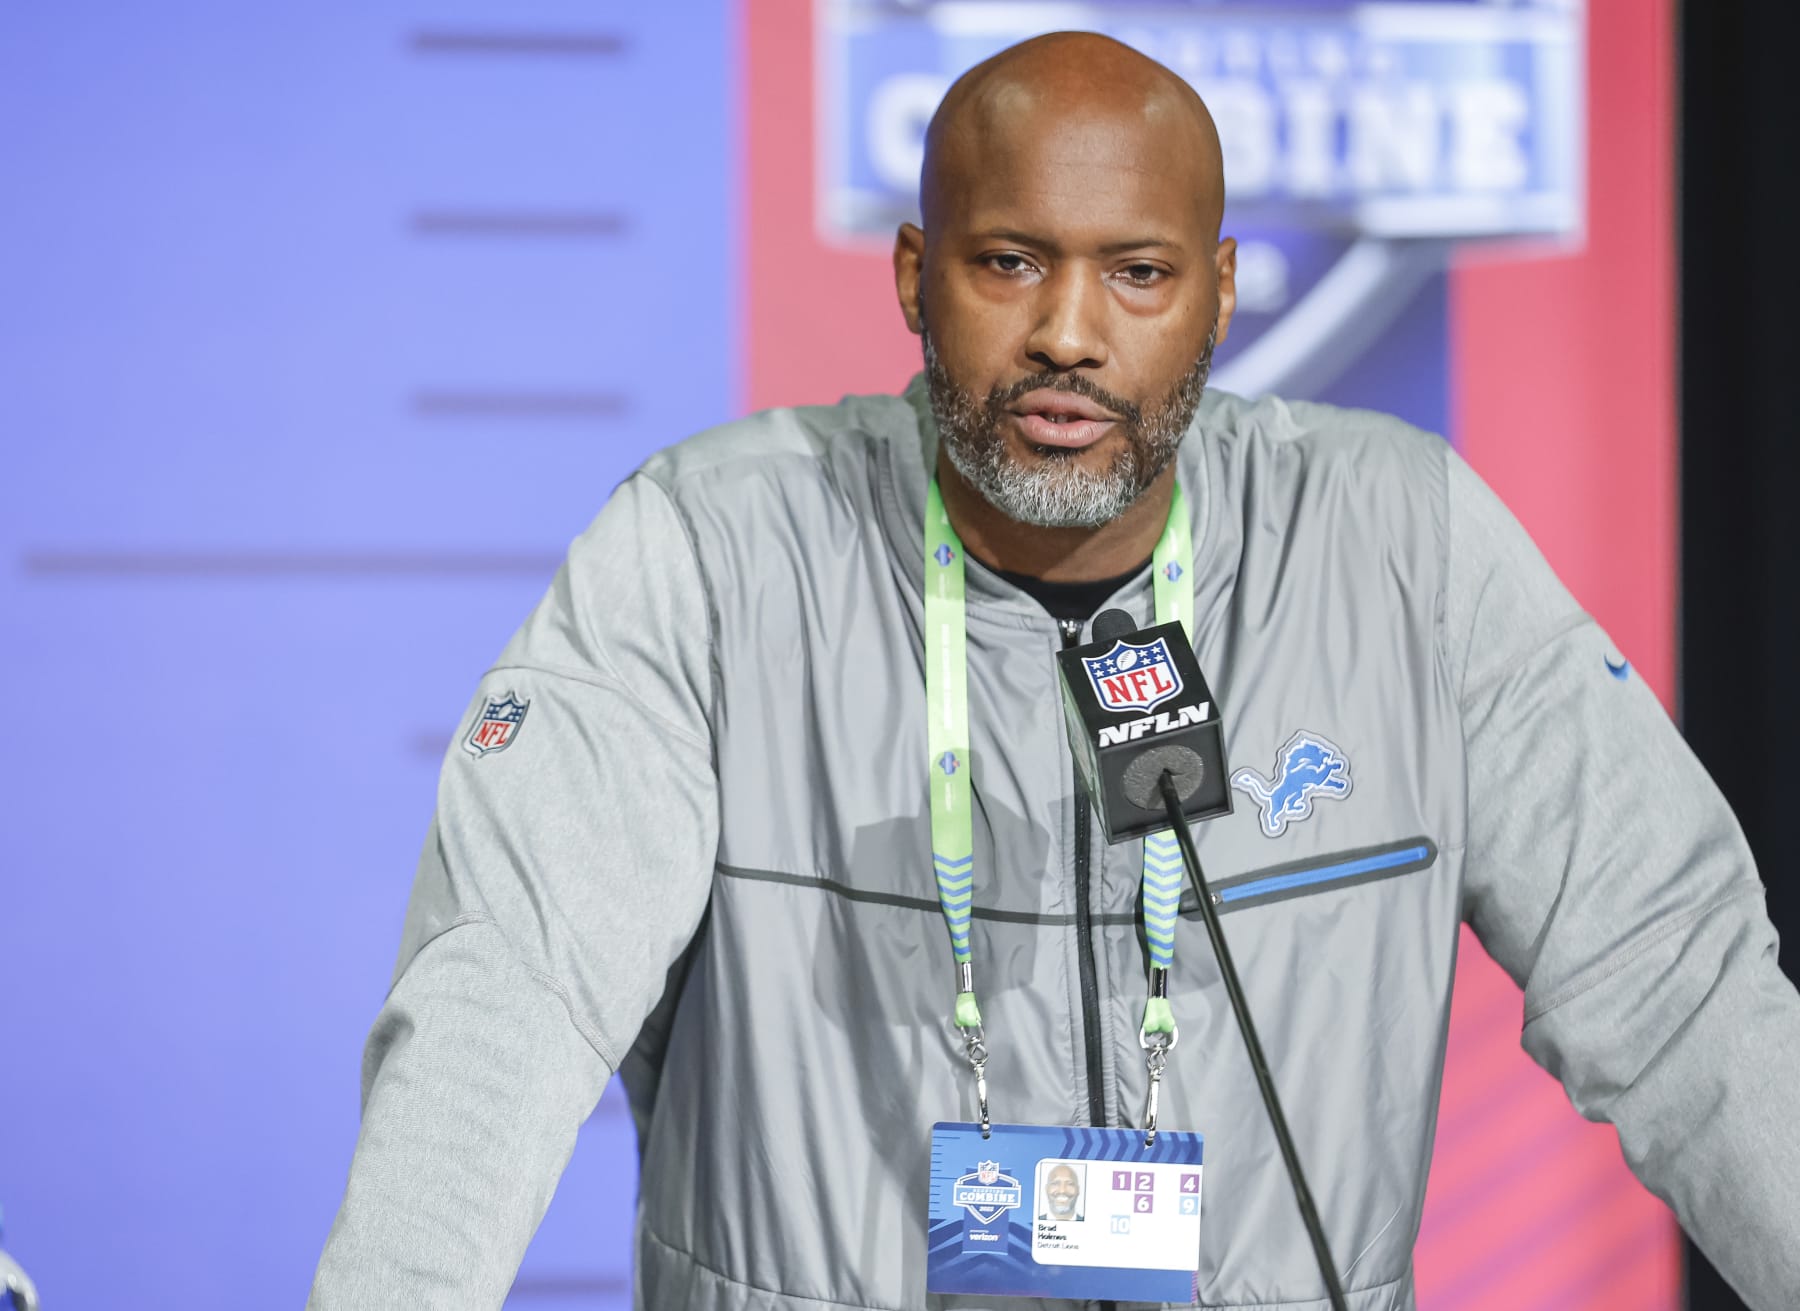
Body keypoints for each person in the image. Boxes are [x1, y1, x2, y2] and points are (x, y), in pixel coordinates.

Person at [309, 31, 1800, 1311]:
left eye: (1138, 274)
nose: (1068, 336)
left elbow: (1681, 993)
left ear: (1220, 291)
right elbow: (507, 1001)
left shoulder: (1405, 547)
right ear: (914, 276)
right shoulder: (709, 551)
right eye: (1009, 262)